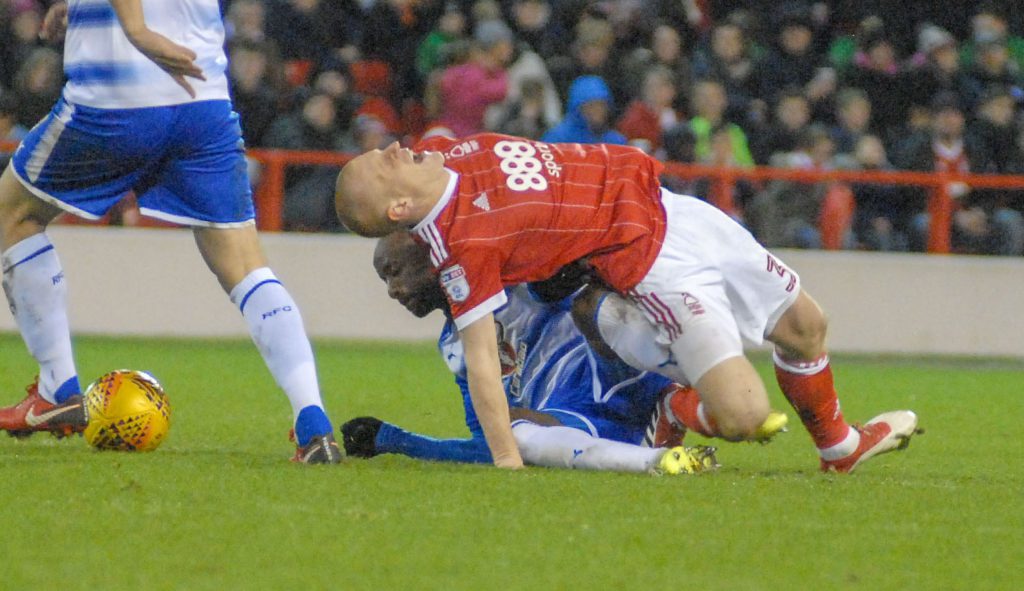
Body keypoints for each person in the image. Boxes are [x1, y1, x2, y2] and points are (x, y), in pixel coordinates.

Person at [334, 133, 921, 472]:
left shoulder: (439, 153)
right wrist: (508, 462)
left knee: (806, 326)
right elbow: (481, 354)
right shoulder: (465, 249)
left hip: (673, 206)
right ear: (397, 211)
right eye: (381, 164)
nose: (391, 147)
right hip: (651, 260)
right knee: (743, 415)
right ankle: (676, 412)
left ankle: (840, 447)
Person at [0, 0, 341, 463]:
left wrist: (136, 29)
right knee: (245, 265)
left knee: (12, 215)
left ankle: (58, 389)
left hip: (120, 95)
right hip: (203, 104)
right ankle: (314, 424)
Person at [343, 232, 742, 475]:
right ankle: (658, 458)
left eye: (394, 272)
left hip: (614, 368)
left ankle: (701, 380)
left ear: (432, 258)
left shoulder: (511, 279)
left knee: (595, 308)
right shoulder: (453, 347)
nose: (392, 291)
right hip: (578, 422)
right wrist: (391, 439)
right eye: (384, 280)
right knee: (512, 431)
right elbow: (488, 445)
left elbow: (575, 274)